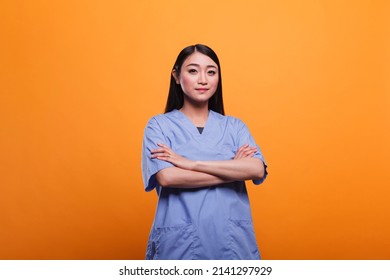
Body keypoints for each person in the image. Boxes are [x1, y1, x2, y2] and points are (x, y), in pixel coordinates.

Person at [141, 44, 268, 260]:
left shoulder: (234, 127)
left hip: (232, 245)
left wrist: (191, 164)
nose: (203, 79)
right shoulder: (159, 126)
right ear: (176, 76)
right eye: (193, 71)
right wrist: (233, 170)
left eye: (211, 72)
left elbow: (256, 169)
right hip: (179, 245)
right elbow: (168, 176)